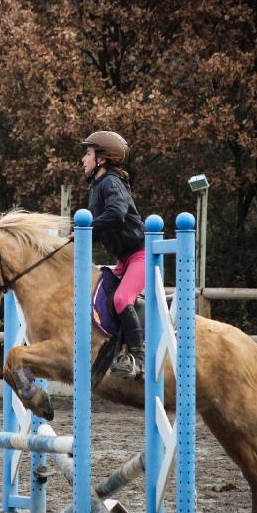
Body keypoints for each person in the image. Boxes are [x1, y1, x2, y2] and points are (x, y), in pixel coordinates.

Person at [80, 130, 145, 380]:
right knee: (100, 297)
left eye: (88, 153)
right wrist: (77, 238)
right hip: (124, 259)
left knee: (120, 299)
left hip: (139, 255)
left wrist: (87, 228)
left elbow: (116, 214)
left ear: (102, 159)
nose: (83, 159)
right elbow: (102, 228)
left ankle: (139, 359)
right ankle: (116, 350)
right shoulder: (97, 186)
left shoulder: (110, 182)